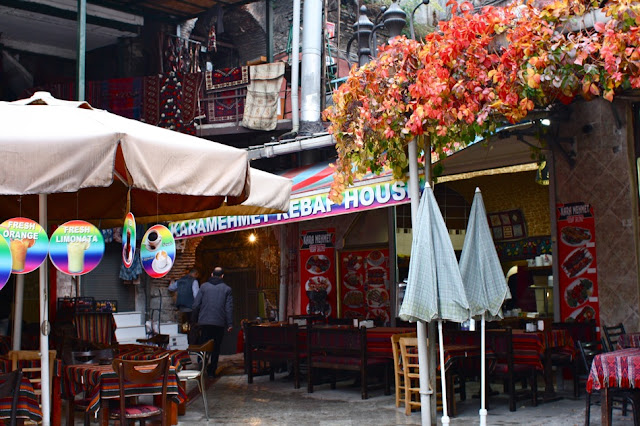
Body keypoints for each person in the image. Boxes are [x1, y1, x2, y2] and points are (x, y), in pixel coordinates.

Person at [192, 266, 233, 378]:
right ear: (222, 276)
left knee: (203, 345)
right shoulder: (227, 289)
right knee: (216, 347)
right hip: (219, 323)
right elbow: (228, 308)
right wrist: (229, 323)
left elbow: (196, 305)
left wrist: (195, 320)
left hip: (204, 322)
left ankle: (201, 365)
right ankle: (212, 371)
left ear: (211, 274)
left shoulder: (203, 287)